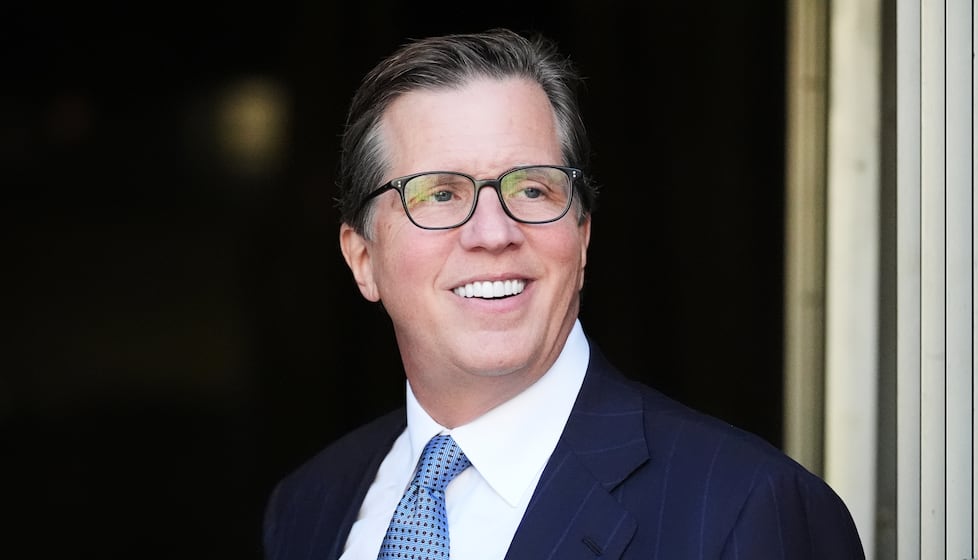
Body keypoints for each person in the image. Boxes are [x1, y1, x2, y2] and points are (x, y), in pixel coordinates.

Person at [263, 28, 865, 560]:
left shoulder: (750, 506)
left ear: (581, 238)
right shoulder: (310, 505)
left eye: (531, 189)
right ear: (362, 259)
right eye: (440, 194)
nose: (493, 233)